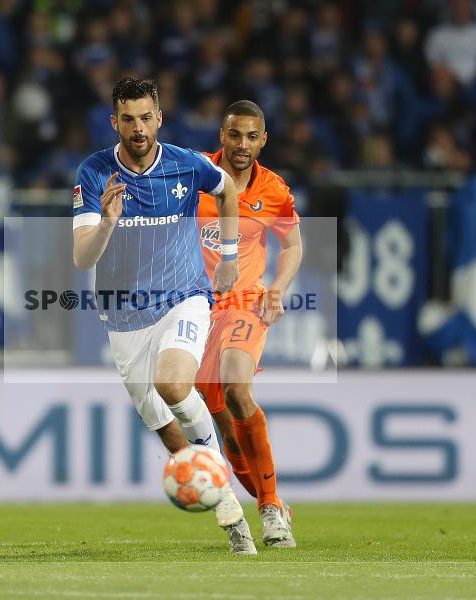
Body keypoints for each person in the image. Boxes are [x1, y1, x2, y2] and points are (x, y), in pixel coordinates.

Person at [71, 77, 249, 552]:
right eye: (128, 119)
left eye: (146, 118)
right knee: (169, 433)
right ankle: (227, 501)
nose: (138, 128)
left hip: (183, 296)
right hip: (124, 317)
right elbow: (83, 258)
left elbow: (228, 190)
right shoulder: (94, 173)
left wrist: (229, 256)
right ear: (115, 122)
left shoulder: (186, 164)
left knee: (173, 384)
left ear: (159, 119)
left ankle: (227, 502)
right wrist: (107, 223)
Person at [195, 100, 302, 550]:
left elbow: (292, 244)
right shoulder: (194, 172)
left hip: (245, 303)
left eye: (251, 137)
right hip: (195, 310)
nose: (242, 144)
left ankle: (270, 510)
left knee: (238, 390)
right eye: (235, 135)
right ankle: (270, 502)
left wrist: (277, 288)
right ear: (222, 136)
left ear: (263, 141)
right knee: (225, 428)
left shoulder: (273, 189)